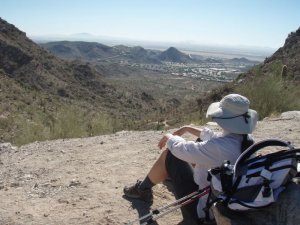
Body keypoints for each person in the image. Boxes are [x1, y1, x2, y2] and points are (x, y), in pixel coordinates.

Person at [123, 94, 258, 224]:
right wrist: (187, 128)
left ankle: (142, 190)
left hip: (204, 210)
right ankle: (166, 178)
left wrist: (170, 137)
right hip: (225, 199)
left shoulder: (220, 147)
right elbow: (213, 136)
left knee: (171, 155)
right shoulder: (247, 140)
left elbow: (182, 149)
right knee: (197, 145)